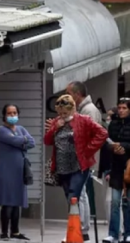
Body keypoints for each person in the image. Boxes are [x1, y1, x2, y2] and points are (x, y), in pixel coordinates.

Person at [46, 94, 108, 232]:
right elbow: (47, 141)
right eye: (60, 113)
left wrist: (89, 149)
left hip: (79, 165)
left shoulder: (83, 120)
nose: (62, 115)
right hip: (62, 166)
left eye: (65, 113)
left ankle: (79, 230)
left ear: (73, 109)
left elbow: (102, 133)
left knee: (74, 195)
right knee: (69, 197)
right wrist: (55, 127)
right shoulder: (58, 121)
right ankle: (74, 228)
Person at [68, 80, 106, 239]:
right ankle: (81, 227)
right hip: (81, 157)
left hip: (83, 158)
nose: (67, 97)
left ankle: (82, 228)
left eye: (69, 94)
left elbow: (95, 135)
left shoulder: (88, 110)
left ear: (77, 95)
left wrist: (85, 151)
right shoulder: (82, 109)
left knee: (80, 194)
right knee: (80, 193)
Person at [0, 104, 34, 241]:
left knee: (17, 201)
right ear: (4, 115)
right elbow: (13, 140)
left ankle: (15, 231)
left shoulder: (21, 129)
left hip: (19, 171)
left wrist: (22, 141)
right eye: (9, 113)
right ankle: (4, 232)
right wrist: (23, 141)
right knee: (7, 201)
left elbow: (32, 142)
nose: (12, 115)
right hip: (6, 171)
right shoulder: (1, 130)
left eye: (14, 113)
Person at [101, 98, 130, 243]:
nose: (121, 110)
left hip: (129, 166)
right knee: (114, 202)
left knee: (128, 202)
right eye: (119, 107)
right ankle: (113, 233)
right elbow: (106, 143)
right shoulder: (113, 124)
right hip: (116, 167)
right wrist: (113, 147)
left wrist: (123, 146)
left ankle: (128, 233)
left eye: (124, 108)